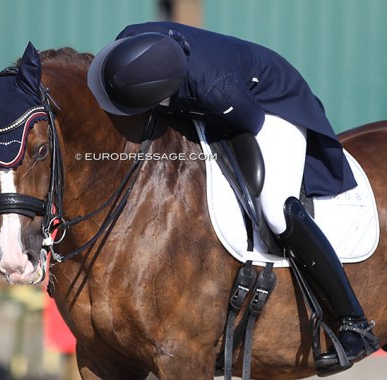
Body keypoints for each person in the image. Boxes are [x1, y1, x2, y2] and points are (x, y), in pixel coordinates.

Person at [86, 21, 379, 370]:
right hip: (216, 88)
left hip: (267, 108)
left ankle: (353, 321)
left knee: (276, 209)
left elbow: (248, 124)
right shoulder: (131, 40)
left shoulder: (217, 91)